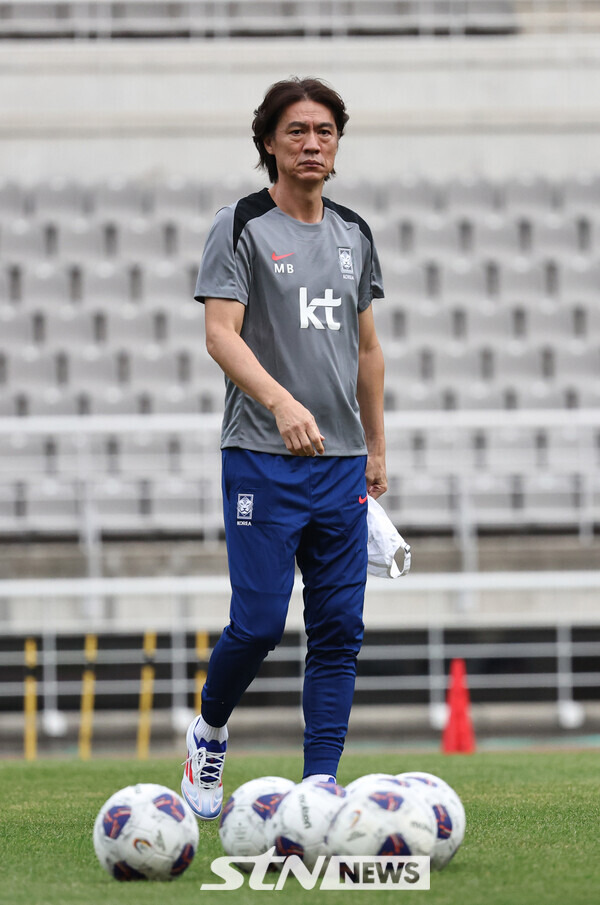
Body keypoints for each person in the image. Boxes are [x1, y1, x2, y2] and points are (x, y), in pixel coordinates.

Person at [181, 76, 387, 820]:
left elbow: (367, 350)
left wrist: (376, 445)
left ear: (338, 143)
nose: (311, 143)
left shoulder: (355, 232)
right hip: (262, 456)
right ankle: (208, 730)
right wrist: (281, 400)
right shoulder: (240, 224)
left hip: (340, 467)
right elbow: (218, 334)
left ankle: (319, 787)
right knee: (262, 622)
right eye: (296, 131)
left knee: (338, 630)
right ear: (269, 141)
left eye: (324, 131)